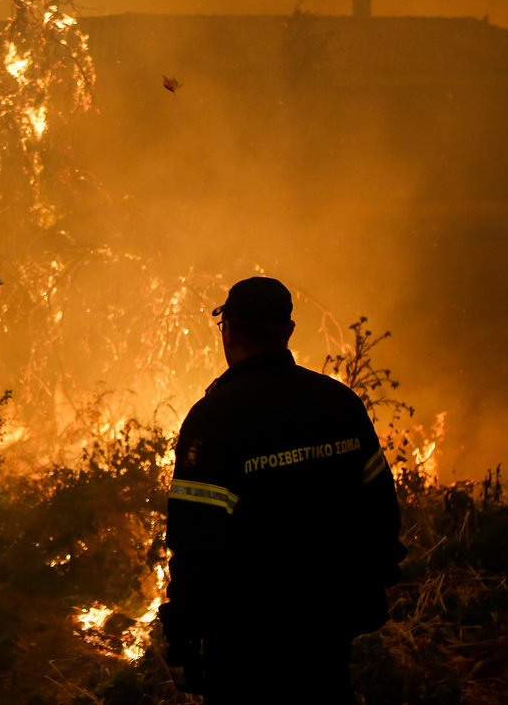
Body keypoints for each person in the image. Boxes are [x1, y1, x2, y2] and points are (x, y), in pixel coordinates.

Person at [158, 277, 406, 702]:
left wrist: (182, 632)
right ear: (287, 331)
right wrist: (372, 583)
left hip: (247, 635)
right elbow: (380, 506)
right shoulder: (339, 402)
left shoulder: (214, 418)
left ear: (228, 330)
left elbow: (196, 542)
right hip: (330, 619)